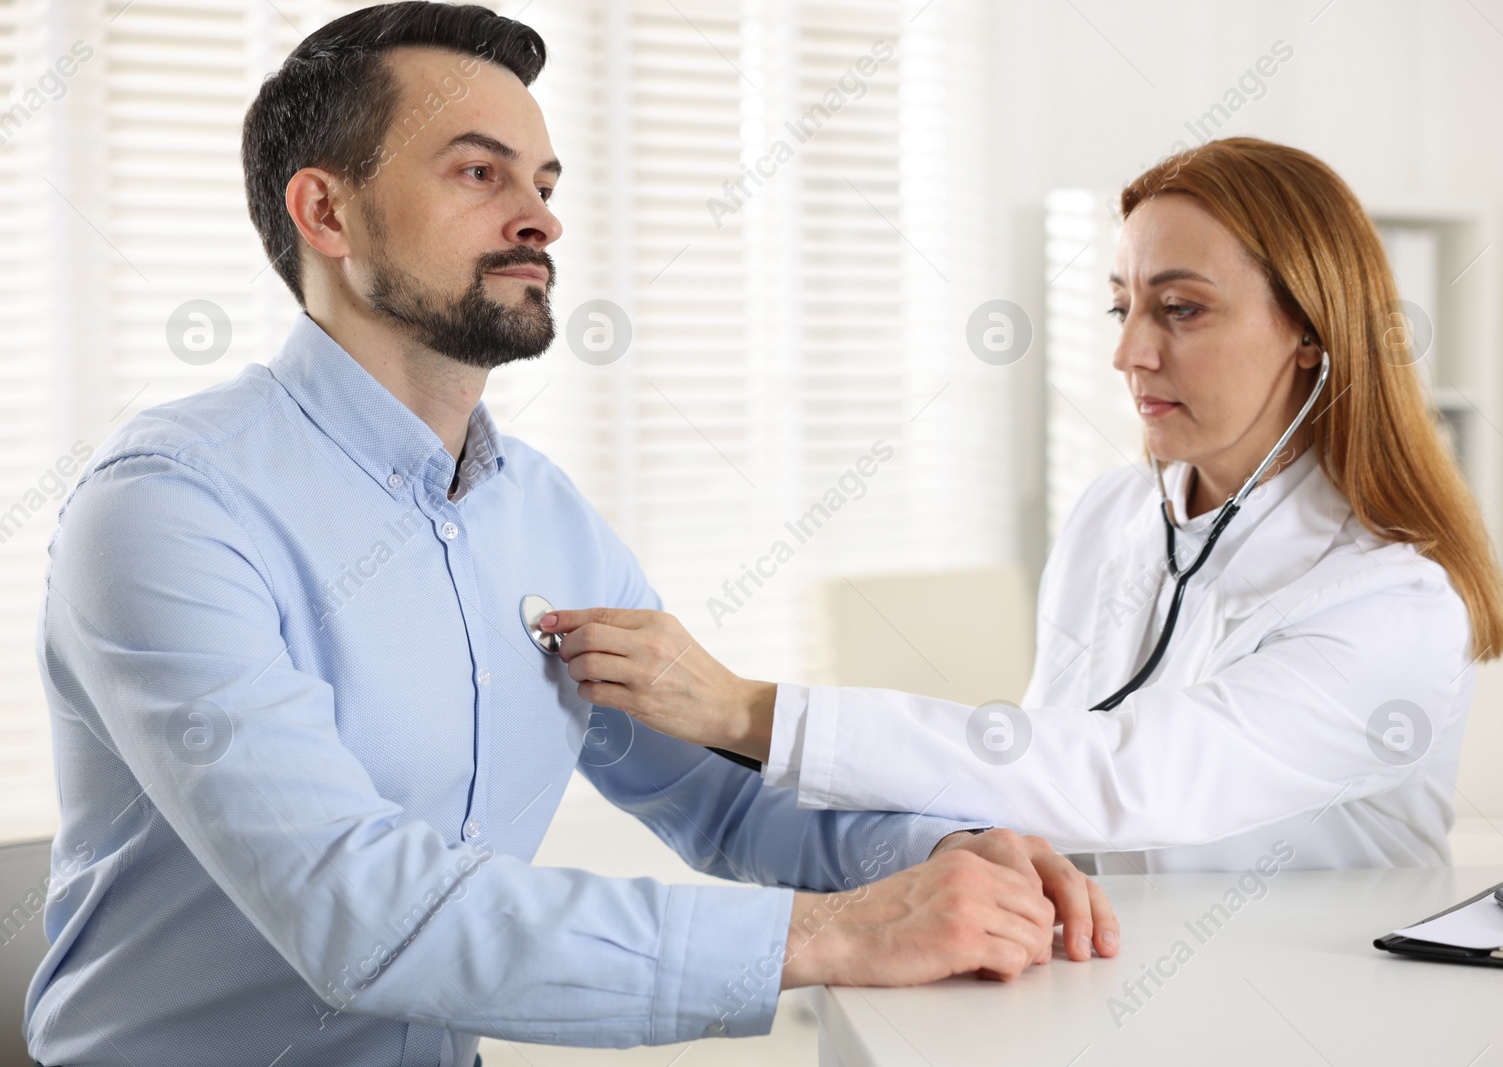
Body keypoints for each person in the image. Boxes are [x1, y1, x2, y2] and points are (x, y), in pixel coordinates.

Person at [22, 5, 1119, 1065]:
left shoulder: (540, 516)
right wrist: (839, 933)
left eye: (543, 184)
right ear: (327, 213)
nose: (542, 217)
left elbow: (717, 790)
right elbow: (359, 913)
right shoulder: (169, 507)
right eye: (477, 172)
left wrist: (940, 853)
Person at [543, 137, 1503, 875]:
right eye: (1121, 305)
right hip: (1107, 977)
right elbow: (1036, 750)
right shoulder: (1116, 512)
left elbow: (1128, 777)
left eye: (1180, 308)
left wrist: (750, 709)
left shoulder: (1391, 602)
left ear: (1311, 335)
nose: (1129, 352)